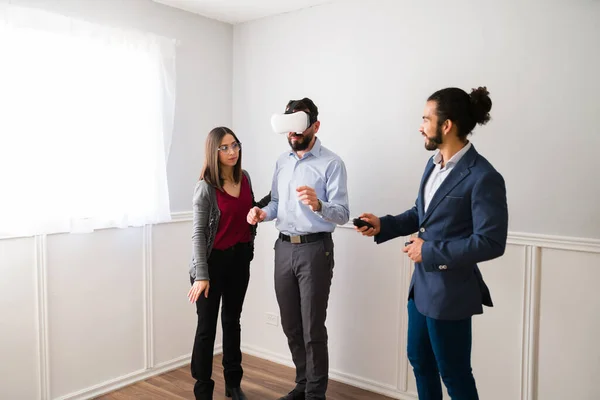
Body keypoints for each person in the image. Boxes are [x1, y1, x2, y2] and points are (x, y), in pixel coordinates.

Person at [355, 86, 508, 400]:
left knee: (454, 373)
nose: (420, 125)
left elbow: (491, 242)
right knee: (420, 362)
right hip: (421, 290)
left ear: (447, 125)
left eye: (426, 119)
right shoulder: (433, 165)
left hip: (451, 295)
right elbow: (421, 215)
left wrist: (430, 251)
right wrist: (383, 224)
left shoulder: (483, 176)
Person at [247, 98, 350, 400]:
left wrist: (318, 204)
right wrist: (262, 213)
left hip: (315, 250)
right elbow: (277, 203)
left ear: (315, 126)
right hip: (283, 250)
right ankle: (303, 383)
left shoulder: (332, 163)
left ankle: (315, 394)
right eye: (288, 129)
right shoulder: (282, 161)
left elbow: (343, 213)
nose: (292, 135)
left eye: (298, 128)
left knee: (312, 326)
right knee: (291, 323)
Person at [188, 126, 270, 400]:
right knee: (206, 329)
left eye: (234, 145)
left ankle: (233, 385)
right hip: (210, 266)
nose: (232, 151)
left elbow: (247, 211)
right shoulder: (206, 188)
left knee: (232, 322)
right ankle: (203, 390)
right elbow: (199, 234)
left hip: (239, 260)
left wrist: (271, 200)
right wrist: (202, 275)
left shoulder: (244, 178)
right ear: (214, 152)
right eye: (224, 148)